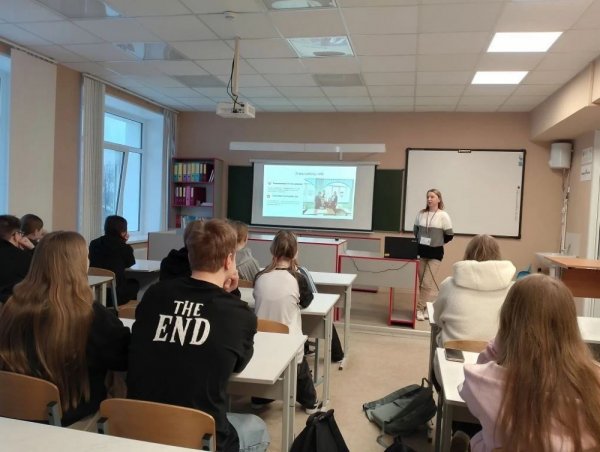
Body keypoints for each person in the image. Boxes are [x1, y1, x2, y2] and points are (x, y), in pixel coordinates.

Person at [127, 219, 269, 452]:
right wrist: (229, 295)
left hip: (138, 427)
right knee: (258, 427)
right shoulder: (239, 314)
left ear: (191, 255)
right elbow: (238, 364)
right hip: (200, 436)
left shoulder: (155, 294)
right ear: (229, 260)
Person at [0, 231, 130, 429]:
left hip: (12, 414)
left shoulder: (11, 307)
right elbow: (122, 359)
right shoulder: (91, 315)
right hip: (73, 418)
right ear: (78, 265)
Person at [458, 274, 600, 452]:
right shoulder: (593, 383)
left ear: (508, 321)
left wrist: (498, 345)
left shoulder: (484, 381)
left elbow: (467, 391)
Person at [252, 230, 321, 414]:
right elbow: (306, 302)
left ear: (272, 250)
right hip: (289, 345)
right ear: (295, 253)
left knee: (268, 364)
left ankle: (260, 397)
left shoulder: (259, 276)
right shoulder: (298, 279)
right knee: (300, 368)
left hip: (261, 342)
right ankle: (310, 402)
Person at [433, 235, 515, 346]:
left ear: (467, 254)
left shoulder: (448, 285)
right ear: (498, 255)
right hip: (496, 354)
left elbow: (437, 319)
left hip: (454, 354)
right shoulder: (513, 289)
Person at [413, 189, 453, 321]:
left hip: (435, 254)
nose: (429, 199)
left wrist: (437, 242)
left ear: (439, 199)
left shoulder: (443, 215)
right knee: (422, 283)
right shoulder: (421, 214)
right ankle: (425, 308)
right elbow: (415, 231)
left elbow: (449, 235)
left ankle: (419, 309)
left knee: (426, 282)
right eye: (428, 197)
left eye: (432, 197)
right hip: (421, 252)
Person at [89, 215, 139, 306]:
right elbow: (130, 263)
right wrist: (123, 242)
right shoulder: (124, 247)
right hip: (115, 295)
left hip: (95, 292)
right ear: (123, 232)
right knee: (135, 283)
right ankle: (127, 311)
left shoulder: (94, 244)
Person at [0, 214, 34, 303]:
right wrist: (33, 250)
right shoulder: (25, 258)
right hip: (13, 306)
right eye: (20, 234)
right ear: (15, 235)